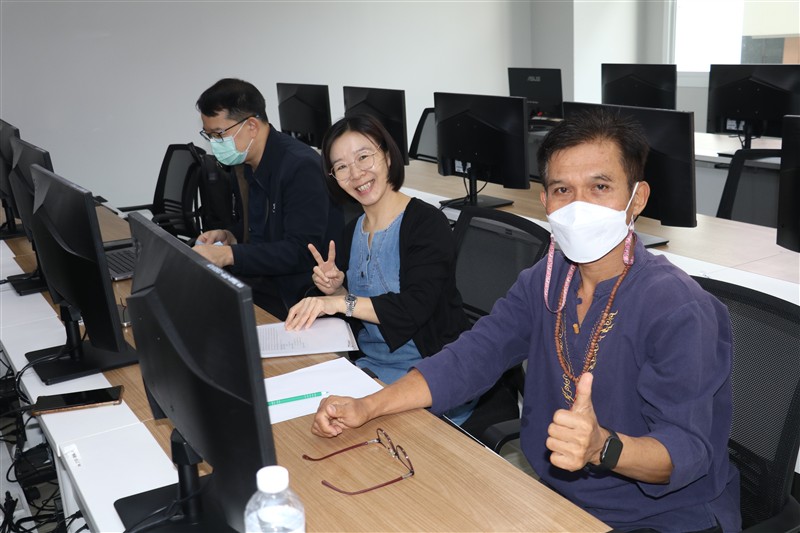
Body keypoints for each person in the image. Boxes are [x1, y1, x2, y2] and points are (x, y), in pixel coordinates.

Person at [308, 108, 741, 533]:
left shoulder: (678, 307)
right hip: (556, 498)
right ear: (546, 201)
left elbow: (687, 450)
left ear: (637, 199)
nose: (579, 206)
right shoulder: (546, 279)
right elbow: (472, 357)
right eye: (562, 190)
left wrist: (602, 447)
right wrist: (367, 406)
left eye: (600, 187)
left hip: (659, 519)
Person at [284, 114, 475, 424]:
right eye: (341, 167)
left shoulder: (426, 224)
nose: (356, 173)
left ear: (387, 155)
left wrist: (339, 302)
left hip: (429, 377)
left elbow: (413, 309)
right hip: (370, 370)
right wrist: (337, 290)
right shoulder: (352, 231)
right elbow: (359, 310)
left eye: (363, 157)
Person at [193, 78, 343, 319]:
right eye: (209, 135)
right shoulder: (244, 164)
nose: (214, 143)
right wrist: (230, 235)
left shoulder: (300, 167)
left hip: (297, 294)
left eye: (219, 134)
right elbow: (260, 229)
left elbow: (301, 251)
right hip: (263, 280)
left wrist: (229, 255)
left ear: (252, 126)